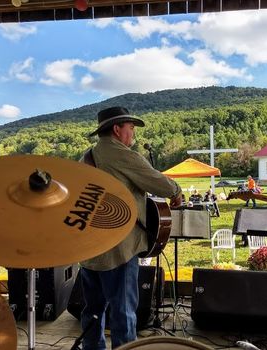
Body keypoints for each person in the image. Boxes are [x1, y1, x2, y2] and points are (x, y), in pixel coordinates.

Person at [79, 106, 182, 350]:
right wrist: (176, 191)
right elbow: (156, 181)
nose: (133, 134)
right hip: (119, 248)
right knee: (123, 313)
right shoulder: (122, 154)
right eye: (131, 128)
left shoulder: (87, 156)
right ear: (117, 129)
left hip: (90, 248)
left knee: (92, 312)